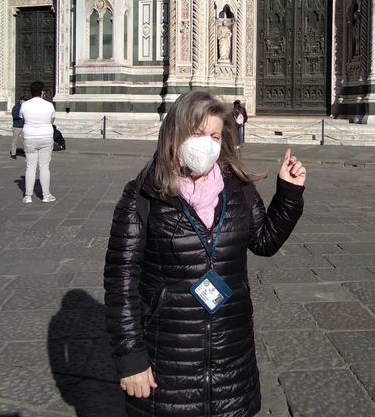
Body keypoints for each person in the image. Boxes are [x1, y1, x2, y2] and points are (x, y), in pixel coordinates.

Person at [104, 90, 306, 417]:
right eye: (197, 134)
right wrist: (131, 360)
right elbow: (121, 284)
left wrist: (289, 193)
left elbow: (265, 242)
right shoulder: (143, 195)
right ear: (175, 134)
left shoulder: (237, 188)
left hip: (231, 359)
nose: (206, 143)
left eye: (214, 135)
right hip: (168, 359)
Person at [20, 81, 56, 203]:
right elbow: (52, 120)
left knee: (30, 167)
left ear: (31, 92)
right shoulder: (49, 105)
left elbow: (23, 118)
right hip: (46, 137)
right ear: (42, 92)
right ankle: (46, 195)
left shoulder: (25, 105)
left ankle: (28, 196)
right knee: (44, 167)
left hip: (30, 137)